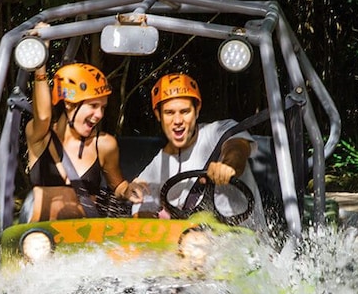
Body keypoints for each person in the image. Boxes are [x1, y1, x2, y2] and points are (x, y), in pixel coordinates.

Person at [133, 72, 265, 227]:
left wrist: (228, 166)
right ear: (158, 114)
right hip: (191, 236)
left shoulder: (219, 131)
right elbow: (141, 213)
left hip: (243, 235)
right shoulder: (158, 165)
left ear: (197, 110)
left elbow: (237, 148)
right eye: (169, 113)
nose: (177, 120)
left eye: (185, 111)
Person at [26, 61, 141, 221]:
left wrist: (128, 190)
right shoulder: (41, 137)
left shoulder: (104, 144)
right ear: (68, 103)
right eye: (93, 105)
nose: (99, 115)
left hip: (84, 233)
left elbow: (118, 186)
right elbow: (43, 117)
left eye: (102, 107)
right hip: (41, 234)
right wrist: (39, 67)